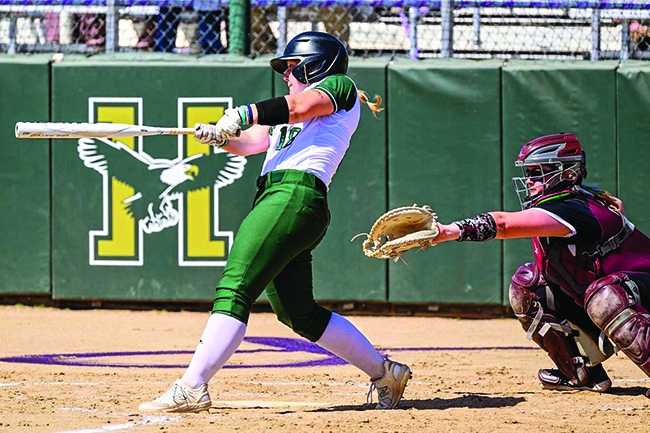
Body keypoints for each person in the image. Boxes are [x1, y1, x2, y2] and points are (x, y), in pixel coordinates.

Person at [138, 31, 412, 413]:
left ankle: (192, 386)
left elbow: (298, 107)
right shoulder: (291, 114)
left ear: (316, 64)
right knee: (298, 312)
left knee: (235, 286)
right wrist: (220, 137)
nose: (285, 74)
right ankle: (386, 373)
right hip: (283, 200)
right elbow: (252, 143)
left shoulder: (339, 87)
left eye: (291, 67)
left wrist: (242, 112)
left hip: (294, 195)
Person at [428, 133, 650, 394]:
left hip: (638, 291)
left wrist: (447, 232)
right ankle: (579, 373)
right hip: (613, 295)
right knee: (528, 285)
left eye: (537, 172)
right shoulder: (563, 204)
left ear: (566, 173)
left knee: (605, 295)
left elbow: (503, 224)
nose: (529, 180)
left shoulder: (574, 208)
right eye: (529, 172)